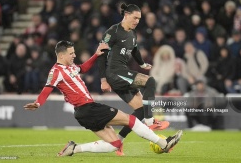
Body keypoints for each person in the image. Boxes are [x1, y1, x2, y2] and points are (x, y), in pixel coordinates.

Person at [23, 40, 182, 157]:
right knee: (131, 120)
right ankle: (163, 143)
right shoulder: (56, 71)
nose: (74, 55)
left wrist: (96, 55)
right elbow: (47, 88)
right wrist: (38, 102)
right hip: (88, 108)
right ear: (62, 55)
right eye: (71, 53)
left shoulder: (70, 67)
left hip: (83, 113)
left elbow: (83, 68)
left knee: (115, 144)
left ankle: (74, 148)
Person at [97, 3, 170, 155]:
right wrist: (103, 79)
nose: (137, 21)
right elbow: (101, 54)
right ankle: (150, 122)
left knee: (141, 109)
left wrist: (142, 63)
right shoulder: (113, 31)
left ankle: (118, 142)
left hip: (122, 73)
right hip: (115, 72)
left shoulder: (133, 33)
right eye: (135, 17)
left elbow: (135, 50)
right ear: (126, 15)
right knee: (150, 81)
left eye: (139, 19)